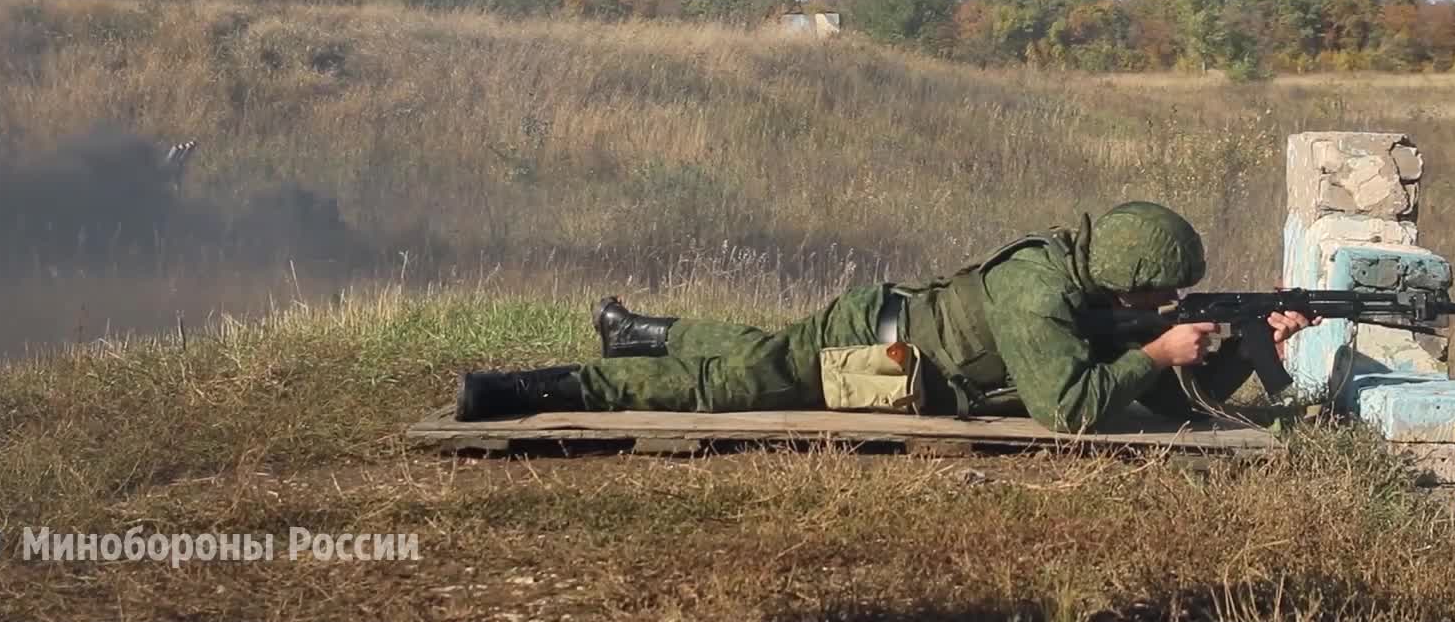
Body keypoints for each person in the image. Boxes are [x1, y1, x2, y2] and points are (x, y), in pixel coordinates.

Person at [454, 201, 1315, 432]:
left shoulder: (1085, 290)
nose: (1161, 311)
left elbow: (1160, 406)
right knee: (727, 386)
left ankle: (641, 329)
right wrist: (1162, 350)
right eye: (1156, 298)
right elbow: (1076, 410)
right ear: (1126, 275)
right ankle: (533, 387)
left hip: (904, 346)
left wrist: (1237, 350)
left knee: (756, 351)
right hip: (870, 353)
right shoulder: (1038, 294)